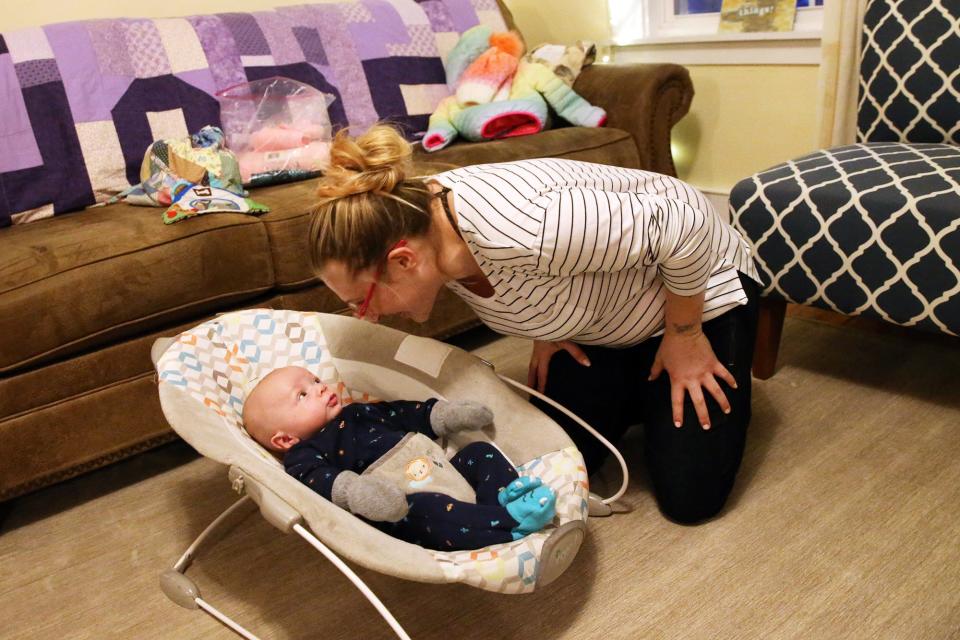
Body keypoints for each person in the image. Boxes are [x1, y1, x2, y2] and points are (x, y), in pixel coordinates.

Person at [310, 124, 762, 525]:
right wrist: (544, 325)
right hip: (605, 314)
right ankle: (643, 387)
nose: (367, 317)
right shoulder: (419, 223)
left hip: (699, 288)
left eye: (362, 301)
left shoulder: (530, 226)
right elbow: (523, 280)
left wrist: (686, 335)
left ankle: (680, 370)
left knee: (690, 498)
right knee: (554, 462)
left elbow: (685, 225)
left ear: (403, 260)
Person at [242, 365, 557, 550]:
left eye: (314, 381)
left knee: (479, 452)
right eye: (303, 395)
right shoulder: (304, 454)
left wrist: (443, 415)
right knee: (426, 509)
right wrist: (356, 491)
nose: (320, 388)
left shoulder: (359, 411)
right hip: (402, 500)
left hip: (440, 468)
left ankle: (502, 499)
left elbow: (404, 413)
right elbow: (317, 481)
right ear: (284, 439)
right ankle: (511, 523)